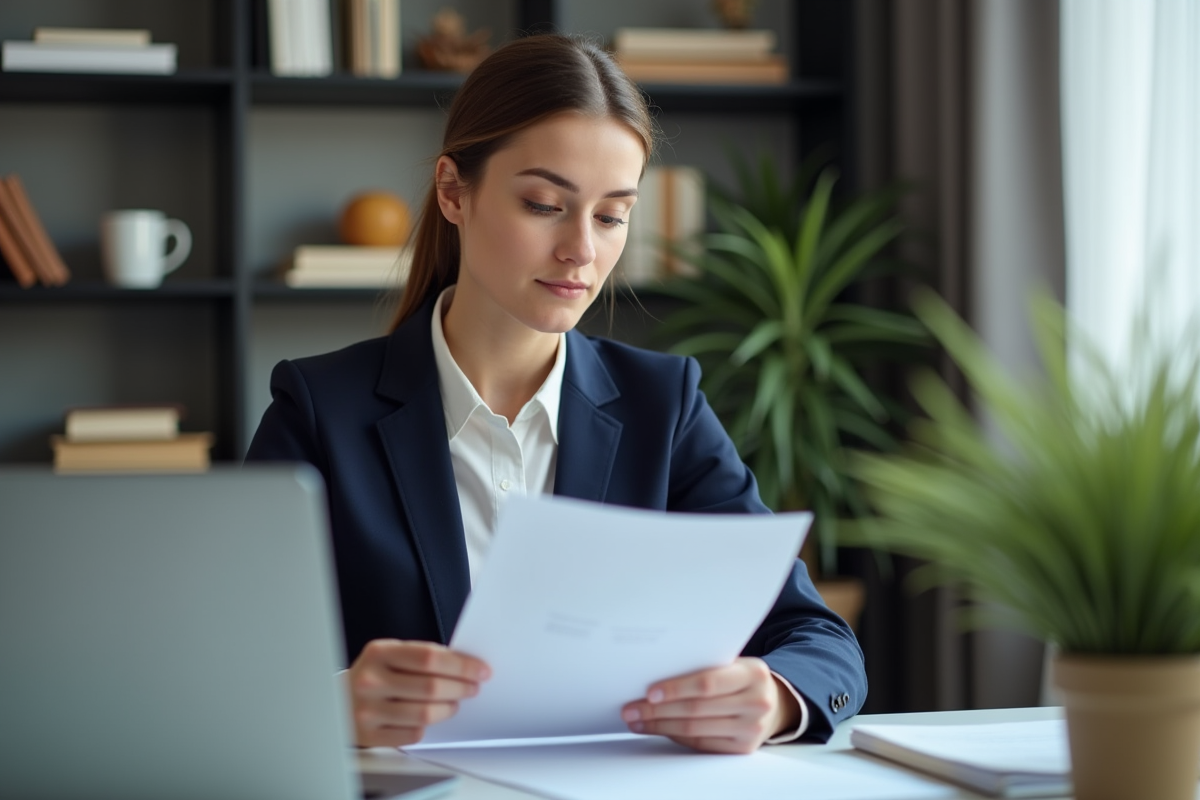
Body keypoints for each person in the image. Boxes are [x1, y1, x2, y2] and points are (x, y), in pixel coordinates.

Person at [246, 33, 866, 755]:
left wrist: (774, 697)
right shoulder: (320, 410)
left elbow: (818, 639)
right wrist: (329, 701)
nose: (582, 249)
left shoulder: (663, 405)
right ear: (454, 191)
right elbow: (218, 666)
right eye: (545, 205)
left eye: (611, 216)